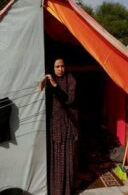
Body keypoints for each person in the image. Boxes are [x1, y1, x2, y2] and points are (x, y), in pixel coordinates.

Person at [40, 57, 79, 195]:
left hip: (68, 124)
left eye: (62, 66)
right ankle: (55, 189)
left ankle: (67, 189)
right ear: (53, 68)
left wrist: (55, 85)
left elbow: (69, 100)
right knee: (55, 155)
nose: (60, 69)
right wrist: (47, 83)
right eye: (57, 67)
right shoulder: (48, 83)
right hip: (55, 125)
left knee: (68, 155)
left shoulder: (71, 80)